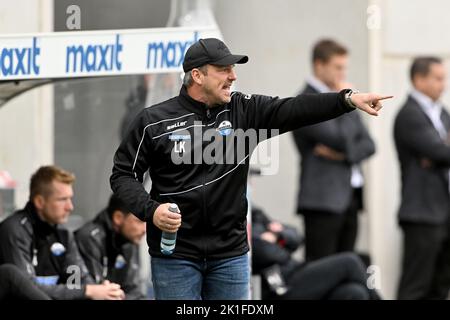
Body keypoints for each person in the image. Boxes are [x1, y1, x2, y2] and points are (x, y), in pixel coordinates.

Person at [110, 37, 391, 300]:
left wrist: (346, 99)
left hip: (230, 255)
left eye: (233, 69)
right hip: (176, 256)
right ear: (197, 75)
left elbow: (296, 108)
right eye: (223, 70)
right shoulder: (153, 121)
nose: (232, 76)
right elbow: (123, 175)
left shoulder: (244, 111)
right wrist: (151, 210)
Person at [292, 39, 376, 261]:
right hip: (322, 200)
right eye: (338, 67)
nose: (343, 73)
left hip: (350, 198)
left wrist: (340, 155)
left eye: (344, 67)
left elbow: (369, 144)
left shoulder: (342, 98)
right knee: (321, 270)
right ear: (319, 65)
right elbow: (340, 139)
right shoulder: (306, 100)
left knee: (346, 269)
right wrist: (348, 102)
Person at [0, 165, 125, 300]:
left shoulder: (64, 234)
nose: (70, 207)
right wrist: (88, 290)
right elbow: (24, 288)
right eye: (62, 199)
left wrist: (102, 290)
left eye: (70, 199)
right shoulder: (14, 230)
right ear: (39, 202)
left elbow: (78, 282)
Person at [394, 57, 450, 300]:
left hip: (444, 211)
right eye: (438, 78)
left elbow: (438, 153)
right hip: (422, 213)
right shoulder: (409, 114)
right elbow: (439, 151)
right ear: (419, 80)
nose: (443, 85)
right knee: (416, 286)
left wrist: (438, 153)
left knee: (440, 286)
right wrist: (439, 150)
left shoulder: (443, 113)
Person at [251, 206, 380, 300]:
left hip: (296, 270)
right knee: (350, 262)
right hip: (279, 284)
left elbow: (296, 236)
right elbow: (263, 252)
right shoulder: (240, 217)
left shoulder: (254, 212)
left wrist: (277, 237)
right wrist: (281, 243)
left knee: (355, 292)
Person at [75, 194, 147, 299]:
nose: (145, 229)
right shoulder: (90, 238)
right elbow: (95, 291)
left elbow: (133, 290)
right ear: (118, 217)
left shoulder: (129, 238)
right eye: (139, 221)